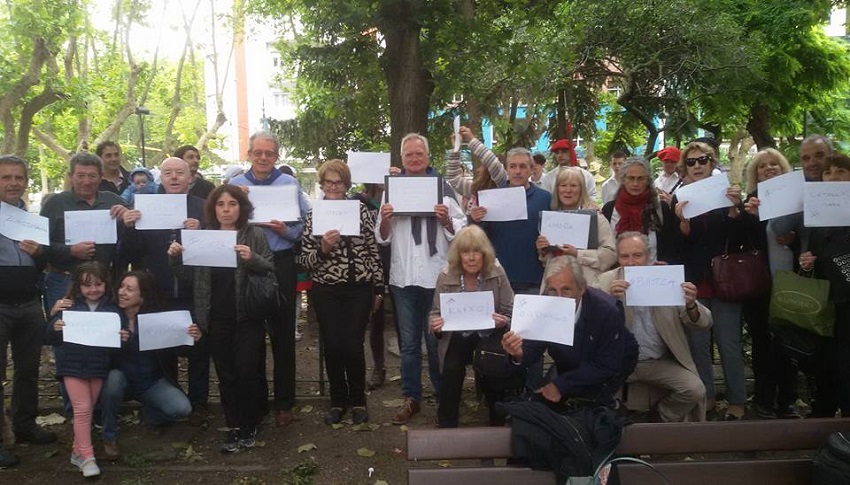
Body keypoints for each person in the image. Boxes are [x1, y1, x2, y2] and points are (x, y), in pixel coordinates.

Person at [169, 184, 274, 450]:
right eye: (220, 205)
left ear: (242, 207)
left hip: (247, 316)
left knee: (246, 370)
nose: (226, 210)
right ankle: (234, 424)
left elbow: (270, 269)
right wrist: (175, 260)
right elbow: (190, 279)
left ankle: (249, 424)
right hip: (215, 317)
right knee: (226, 374)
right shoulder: (203, 236)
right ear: (213, 209)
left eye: (232, 204)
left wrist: (252, 258)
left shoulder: (255, 234)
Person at [376, 133, 467, 425]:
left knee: (435, 341)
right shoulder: (391, 191)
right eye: (408, 155)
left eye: (419, 154)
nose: (414, 159)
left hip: (436, 276)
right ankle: (411, 397)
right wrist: (387, 220)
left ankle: (444, 397)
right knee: (410, 344)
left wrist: (445, 220)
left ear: (428, 157)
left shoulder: (443, 187)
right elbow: (382, 237)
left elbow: (462, 232)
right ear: (402, 159)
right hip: (403, 277)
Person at [119, 157, 211, 426]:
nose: (173, 178)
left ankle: (199, 403)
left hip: (192, 290)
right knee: (163, 351)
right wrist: (129, 228)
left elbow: (215, 248)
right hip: (156, 292)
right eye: (168, 173)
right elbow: (129, 253)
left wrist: (202, 229)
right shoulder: (145, 207)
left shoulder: (202, 208)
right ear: (160, 177)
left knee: (197, 347)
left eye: (179, 173)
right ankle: (170, 404)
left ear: (189, 177)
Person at [229, 131, 309, 427]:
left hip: (281, 263)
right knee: (251, 335)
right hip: (246, 265)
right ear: (249, 154)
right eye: (258, 153)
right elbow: (222, 222)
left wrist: (284, 231)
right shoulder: (236, 186)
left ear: (277, 156)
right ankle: (257, 400)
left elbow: (303, 225)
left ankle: (284, 402)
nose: (263, 158)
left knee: (283, 334)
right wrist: (241, 208)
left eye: (269, 153)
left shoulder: (288, 184)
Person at [301, 160, 384, 425]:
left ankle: (358, 399)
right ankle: (337, 400)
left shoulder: (360, 210)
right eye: (329, 182)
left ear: (346, 185)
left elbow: (373, 251)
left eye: (339, 182)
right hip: (326, 289)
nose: (334, 187)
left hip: (359, 287)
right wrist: (323, 248)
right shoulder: (314, 214)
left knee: (353, 345)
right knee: (333, 345)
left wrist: (379, 287)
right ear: (322, 184)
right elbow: (304, 260)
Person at [597, 233, 711, 422]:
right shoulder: (605, 281)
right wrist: (609, 300)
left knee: (695, 388)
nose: (631, 262)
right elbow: (590, 324)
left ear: (649, 256)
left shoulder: (666, 279)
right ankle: (606, 422)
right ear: (618, 258)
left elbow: (704, 322)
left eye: (637, 255)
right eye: (625, 256)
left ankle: (659, 417)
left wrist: (691, 304)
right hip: (618, 361)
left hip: (657, 362)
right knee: (586, 384)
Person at [673, 141, 748, 420]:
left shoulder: (726, 194)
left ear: (712, 163)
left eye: (702, 160)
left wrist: (733, 212)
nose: (697, 166)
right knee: (699, 346)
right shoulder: (677, 199)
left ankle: (737, 401)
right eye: (691, 162)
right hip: (696, 281)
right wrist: (682, 225)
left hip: (726, 281)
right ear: (684, 168)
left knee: (729, 343)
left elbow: (740, 241)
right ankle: (707, 397)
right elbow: (677, 249)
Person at [501, 255, 638, 407]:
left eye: (566, 290)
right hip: (570, 362)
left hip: (611, 364)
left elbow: (607, 365)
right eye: (553, 290)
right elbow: (533, 347)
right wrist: (519, 354)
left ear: (582, 288)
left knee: (589, 410)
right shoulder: (544, 305)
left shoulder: (607, 311)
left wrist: (561, 385)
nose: (559, 297)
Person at [99, 271, 198, 460]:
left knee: (182, 409)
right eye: (121, 286)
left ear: (142, 296)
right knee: (113, 380)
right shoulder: (109, 314)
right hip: (120, 379)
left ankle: (151, 415)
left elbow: (179, 351)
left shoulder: (156, 319)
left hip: (150, 381)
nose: (122, 292)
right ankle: (109, 436)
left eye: (129, 289)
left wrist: (193, 337)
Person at [0, 155, 56, 468]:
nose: (12, 183)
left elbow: (41, 264)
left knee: (27, 371)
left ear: (26, 181)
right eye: (5, 177)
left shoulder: (30, 217)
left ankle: (24, 424)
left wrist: (39, 254)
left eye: (18, 178)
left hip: (29, 305)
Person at [429, 225, 513, 427]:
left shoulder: (497, 272)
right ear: (459, 255)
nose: (472, 257)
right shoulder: (446, 275)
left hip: (491, 332)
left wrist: (503, 321)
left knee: (492, 366)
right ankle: (447, 425)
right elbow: (434, 313)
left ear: (485, 254)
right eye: (466, 252)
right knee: (452, 368)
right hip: (458, 333)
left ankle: (497, 422)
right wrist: (436, 326)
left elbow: (510, 310)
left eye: (477, 251)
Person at [741, 149, 801, 419]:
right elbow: (745, 244)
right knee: (763, 344)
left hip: (792, 283)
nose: (769, 168)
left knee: (789, 345)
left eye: (774, 163)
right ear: (756, 173)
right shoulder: (750, 200)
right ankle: (764, 399)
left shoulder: (797, 198)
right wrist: (754, 218)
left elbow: (809, 236)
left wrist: (794, 238)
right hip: (760, 286)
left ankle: (788, 400)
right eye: (763, 165)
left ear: (783, 167)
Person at [47, 262, 120, 477]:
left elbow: (120, 337)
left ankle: (77, 451)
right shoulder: (67, 307)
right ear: (78, 287)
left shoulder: (112, 309)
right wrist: (54, 326)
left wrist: (124, 336)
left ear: (106, 285)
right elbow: (48, 335)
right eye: (87, 285)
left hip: (98, 366)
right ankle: (88, 458)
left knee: (88, 408)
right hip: (71, 365)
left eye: (99, 284)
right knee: (82, 408)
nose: (93, 289)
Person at [40, 152, 128, 314]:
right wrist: (70, 251)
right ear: (70, 176)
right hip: (64, 280)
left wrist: (127, 215)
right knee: (63, 329)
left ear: (101, 177)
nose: (86, 182)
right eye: (80, 175)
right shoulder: (55, 203)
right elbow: (40, 244)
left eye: (92, 176)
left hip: (102, 283)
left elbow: (130, 236)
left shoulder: (112, 200)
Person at [799, 153, 850, 418]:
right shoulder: (819, 212)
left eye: (840, 172)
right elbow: (816, 254)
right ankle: (825, 412)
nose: (833, 178)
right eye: (828, 173)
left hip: (847, 299)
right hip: (827, 301)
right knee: (828, 360)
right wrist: (809, 260)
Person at [470, 147, 552, 294]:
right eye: (513, 166)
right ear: (506, 169)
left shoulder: (545, 198)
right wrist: (474, 220)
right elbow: (478, 238)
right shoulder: (491, 197)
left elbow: (554, 233)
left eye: (522, 166)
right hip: (497, 276)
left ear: (531, 169)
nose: (517, 171)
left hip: (533, 278)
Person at [536, 167, 617, 288]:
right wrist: (543, 250)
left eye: (573, 186)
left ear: (581, 190)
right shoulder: (551, 219)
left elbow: (611, 254)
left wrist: (578, 254)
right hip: (556, 288)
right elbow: (548, 261)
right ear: (557, 189)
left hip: (588, 286)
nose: (568, 190)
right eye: (563, 185)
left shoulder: (595, 218)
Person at [601, 157, 680, 264]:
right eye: (631, 178)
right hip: (618, 276)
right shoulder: (609, 210)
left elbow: (671, 245)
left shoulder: (660, 209)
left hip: (653, 275)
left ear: (648, 180)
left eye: (640, 178)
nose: (635, 184)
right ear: (623, 180)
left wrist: (665, 264)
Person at [353, 183, 393, 390]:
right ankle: (379, 366)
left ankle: (408, 369)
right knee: (375, 317)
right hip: (372, 264)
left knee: (402, 320)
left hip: (396, 259)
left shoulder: (396, 191)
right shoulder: (358, 199)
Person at [444, 126, 507, 214]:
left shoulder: (503, 186)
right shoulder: (475, 190)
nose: (479, 169)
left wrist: (471, 140)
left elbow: (494, 164)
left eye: (483, 166)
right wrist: (456, 150)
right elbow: (454, 179)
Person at [541, 139, 598, 203]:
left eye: (564, 151)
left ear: (571, 152)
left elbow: (591, 196)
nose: (560, 155)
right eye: (557, 153)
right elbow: (545, 200)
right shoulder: (548, 178)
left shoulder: (586, 175)